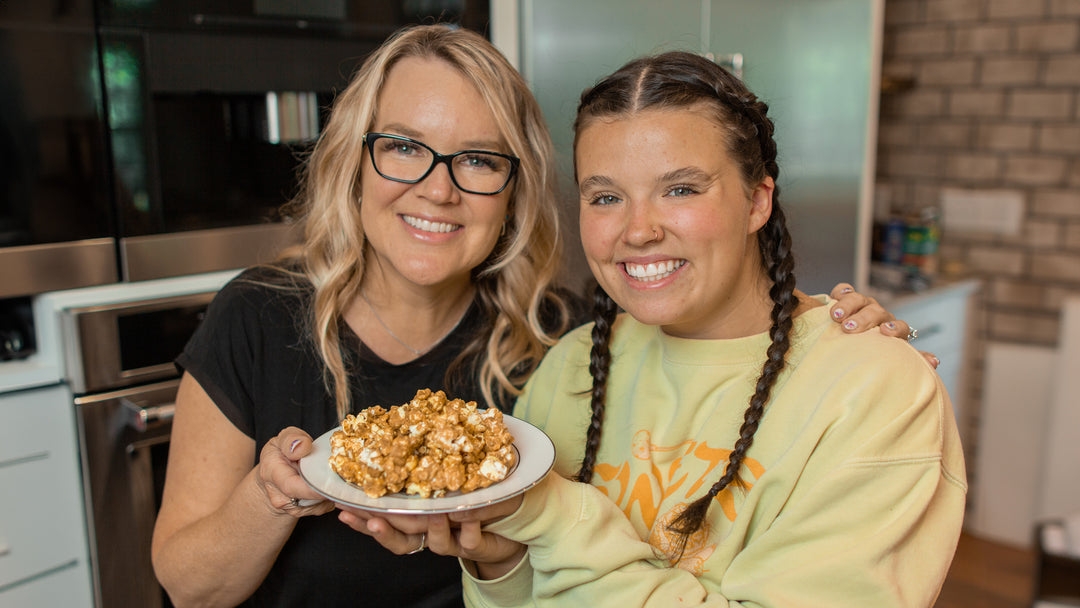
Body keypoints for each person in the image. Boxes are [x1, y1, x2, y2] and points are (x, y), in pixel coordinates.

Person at [151, 24, 926, 608]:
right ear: (354, 160)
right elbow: (189, 587)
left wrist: (839, 338)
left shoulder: (560, 336)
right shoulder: (258, 316)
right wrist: (278, 489)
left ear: (515, 189)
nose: (437, 188)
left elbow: (718, 330)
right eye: (403, 148)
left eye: (479, 161)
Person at [343, 50, 966, 607]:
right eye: (606, 197)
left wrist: (553, 514)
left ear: (757, 201)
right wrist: (498, 558)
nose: (637, 230)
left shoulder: (875, 391)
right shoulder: (572, 367)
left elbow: (556, 530)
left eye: (680, 190)